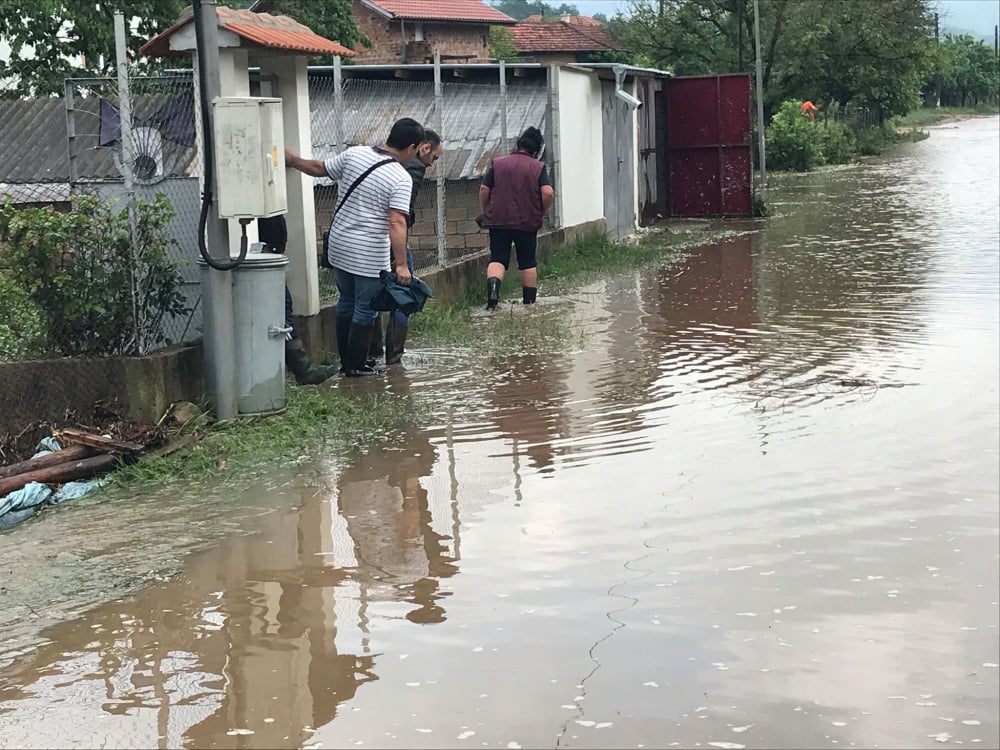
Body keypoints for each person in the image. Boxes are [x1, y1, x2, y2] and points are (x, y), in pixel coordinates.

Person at [285, 117, 422, 377]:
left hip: (339, 246)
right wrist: (402, 264)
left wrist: (293, 161)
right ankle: (356, 366)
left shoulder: (356, 154)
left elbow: (319, 168)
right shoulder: (400, 177)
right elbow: (396, 221)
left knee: (346, 300)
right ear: (412, 147)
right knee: (365, 307)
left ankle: (347, 361)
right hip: (368, 252)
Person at [370, 129, 443, 365]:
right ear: (424, 148)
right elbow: (401, 214)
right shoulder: (413, 168)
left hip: (370, 238)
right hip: (392, 239)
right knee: (405, 295)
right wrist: (398, 255)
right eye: (434, 157)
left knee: (369, 296)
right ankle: (395, 356)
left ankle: (372, 354)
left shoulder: (381, 160)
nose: (432, 164)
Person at [478, 126, 555, 310]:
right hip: (527, 222)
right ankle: (529, 305)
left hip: (498, 220)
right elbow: (548, 193)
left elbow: (483, 189)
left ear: (518, 145)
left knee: (497, 258)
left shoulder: (498, 164)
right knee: (527, 262)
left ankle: (493, 298)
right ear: (536, 151)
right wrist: (541, 210)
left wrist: (487, 208)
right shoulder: (537, 167)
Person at [257, 214, 338, 385]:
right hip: (262, 251)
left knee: (282, 305)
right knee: (281, 310)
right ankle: (304, 370)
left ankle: (301, 368)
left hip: (267, 249)